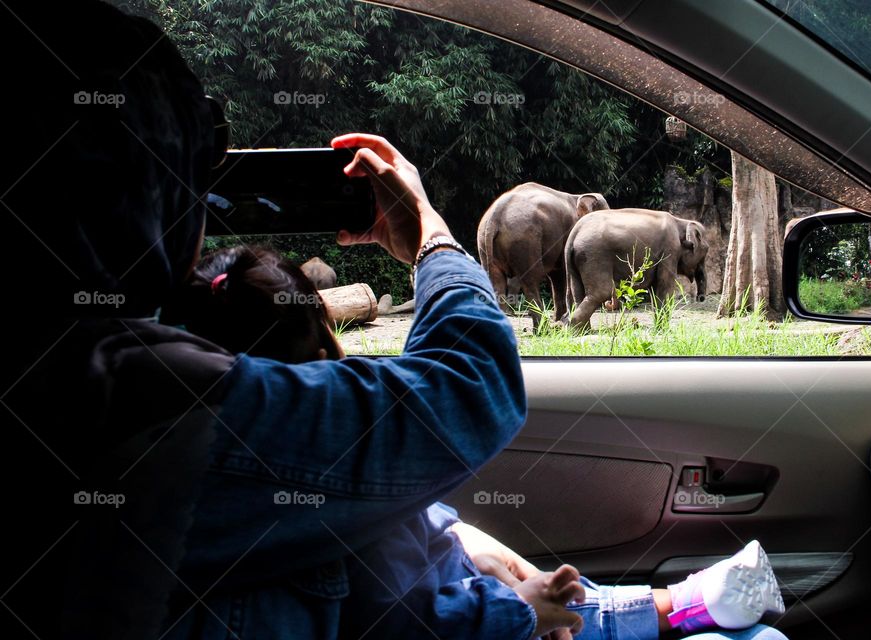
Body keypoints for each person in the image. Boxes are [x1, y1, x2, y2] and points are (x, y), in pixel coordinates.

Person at [0, 3, 554, 638]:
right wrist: (432, 234)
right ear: (155, 186)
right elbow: (471, 387)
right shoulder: (128, 386)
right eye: (190, 173)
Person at [174, 244, 789, 640]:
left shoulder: (186, 461)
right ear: (327, 356)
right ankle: (677, 606)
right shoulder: (314, 462)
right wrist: (431, 237)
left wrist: (466, 544)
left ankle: (676, 603)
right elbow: (411, 622)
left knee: (563, 592)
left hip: (463, 592)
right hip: (475, 618)